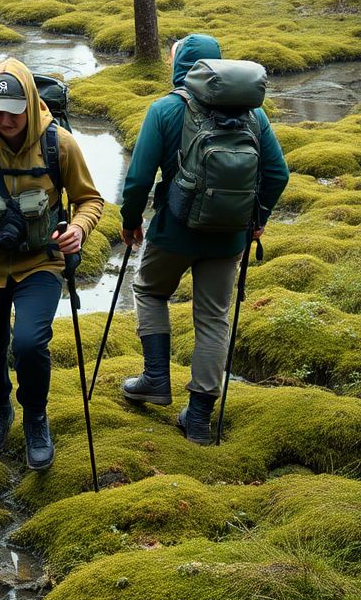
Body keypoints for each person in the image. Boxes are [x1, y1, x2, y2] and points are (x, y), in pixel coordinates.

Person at [119, 34, 290, 444]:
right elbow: (277, 173)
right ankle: (198, 418)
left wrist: (130, 222)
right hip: (228, 237)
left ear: (184, 69)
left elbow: (139, 178)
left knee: (148, 290)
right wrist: (257, 220)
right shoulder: (254, 115)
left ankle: (156, 379)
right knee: (213, 317)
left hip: (173, 231)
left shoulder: (164, 109)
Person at [0, 58, 104, 469]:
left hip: (41, 264)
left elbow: (90, 200)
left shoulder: (59, 144)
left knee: (30, 344)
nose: (4, 119)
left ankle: (35, 415)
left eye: (12, 111)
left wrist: (79, 231)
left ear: (29, 103)